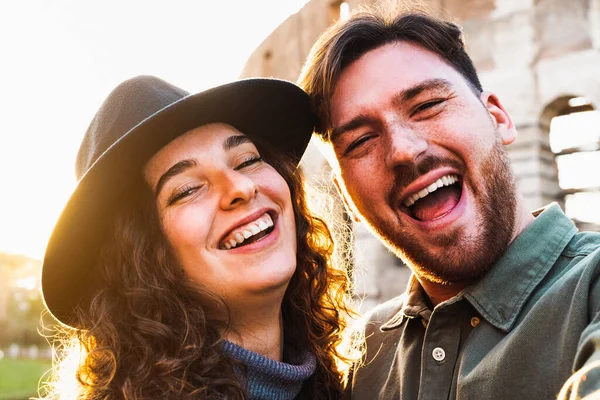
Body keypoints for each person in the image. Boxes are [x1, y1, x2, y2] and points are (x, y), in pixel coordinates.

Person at [298, 7, 600, 400]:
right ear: (346, 198)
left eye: (427, 106)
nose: (403, 150)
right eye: (360, 141)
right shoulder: (360, 359)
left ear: (499, 117)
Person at [39, 75, 354, 399]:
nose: (241, 188)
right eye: (187, 190)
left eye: (247, 160)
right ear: (140, 258)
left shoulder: (336, 385)